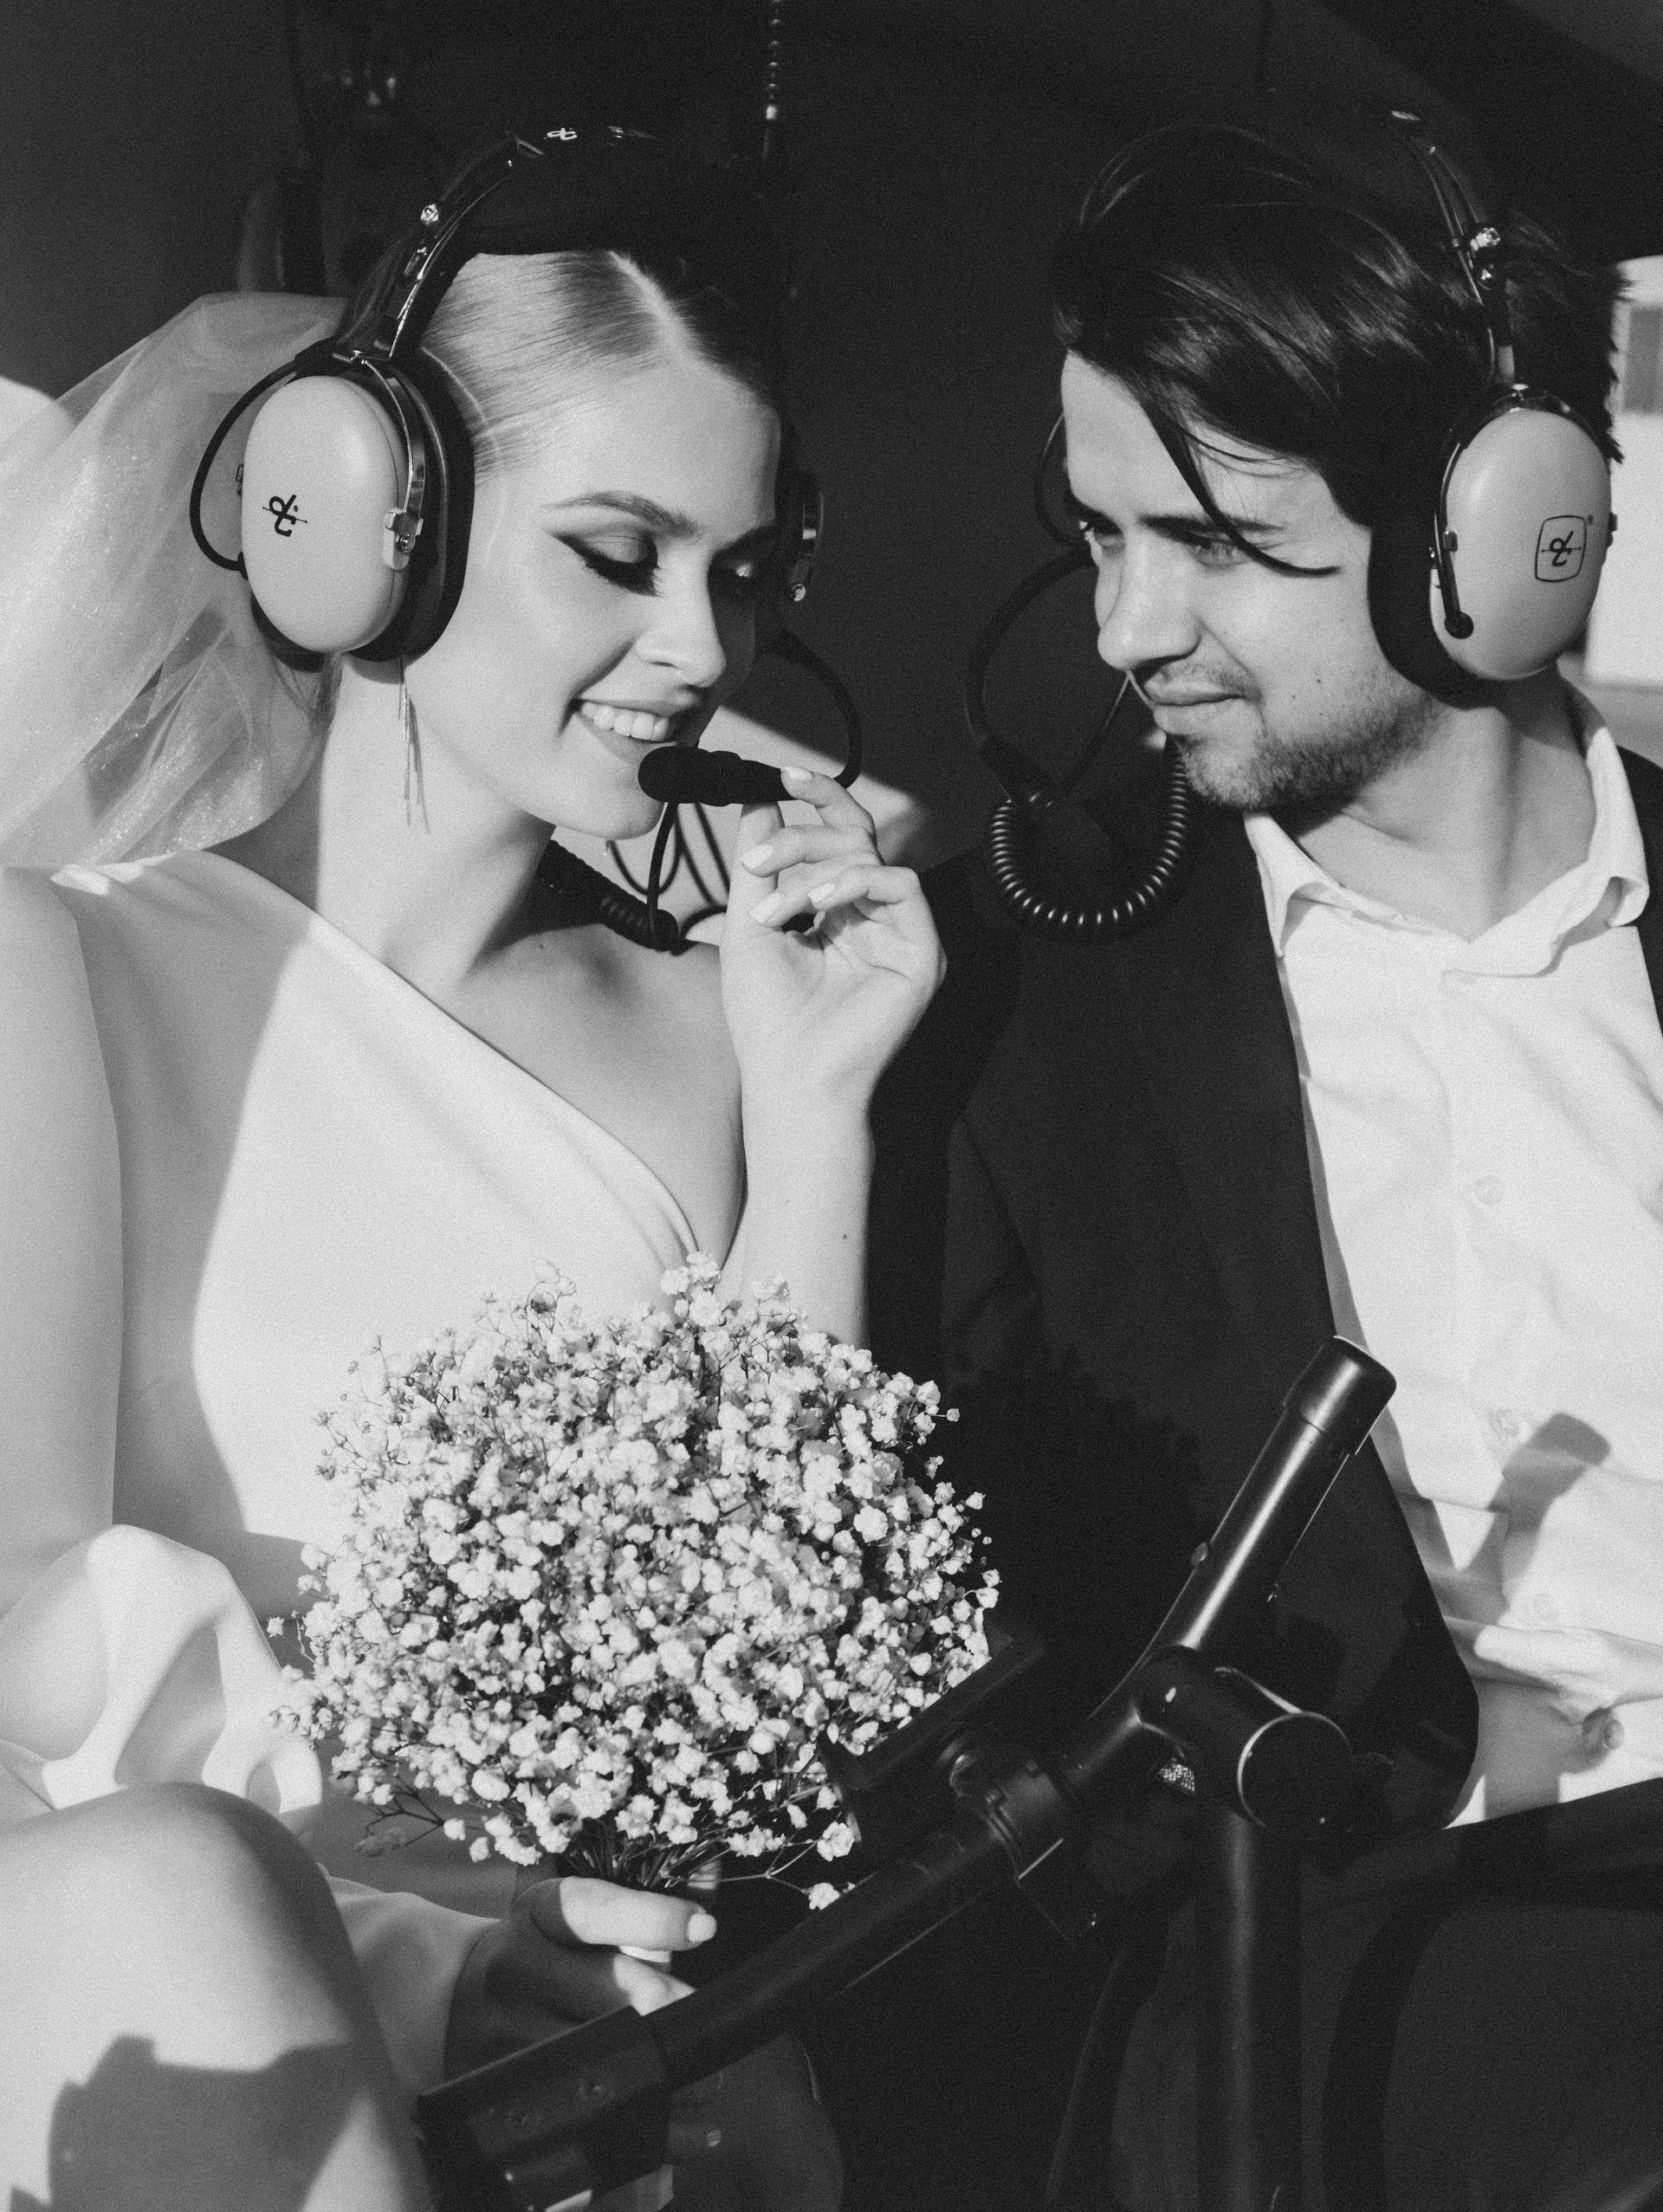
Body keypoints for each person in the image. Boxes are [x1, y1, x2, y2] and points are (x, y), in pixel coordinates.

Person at [0, 133, 942, 2212]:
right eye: (616, 553)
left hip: (620, 2067)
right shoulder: (53, 976)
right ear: (369, 526)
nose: (699, 647)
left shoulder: (722, 1045)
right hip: (163, 2041)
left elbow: (767, 1699)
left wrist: (819, 1112)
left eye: (741, 574)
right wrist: (426, 1961)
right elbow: (15, 1651)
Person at [870, 111, 1663, 2210]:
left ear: (1496, 527)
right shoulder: (995, 996)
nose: (1127, 629)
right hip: (1333, 1939)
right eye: (1100, 535)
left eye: (1212, 544)